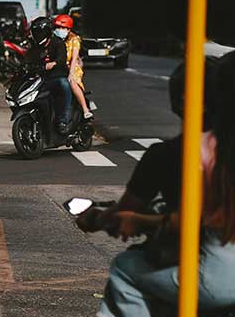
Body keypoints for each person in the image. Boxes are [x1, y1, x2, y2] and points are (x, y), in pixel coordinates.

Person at [91, 53, 235, 316]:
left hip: (218, 276)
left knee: (126, 268)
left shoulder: (200, 151)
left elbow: (192, 219)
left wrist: (134, 219)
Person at [28, 17, 72, 133]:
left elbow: (62, 58)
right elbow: (28, 60)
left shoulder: (58, 43)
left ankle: (64, 120)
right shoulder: (35, 47)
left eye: (40, 32)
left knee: (64, 84)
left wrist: (54, 63)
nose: (37, 35)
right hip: (42, 80)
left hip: (57, 77)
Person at [54, 14, 92, 119]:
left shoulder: (74, 40)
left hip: (73, 67)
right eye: (58, 27)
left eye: (62, 28)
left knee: (72, 83)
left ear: (68, 29)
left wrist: (71, 73)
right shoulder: (55, 40)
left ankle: (85, 109)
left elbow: (74, 58)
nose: (59, 30)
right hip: (59, 67)